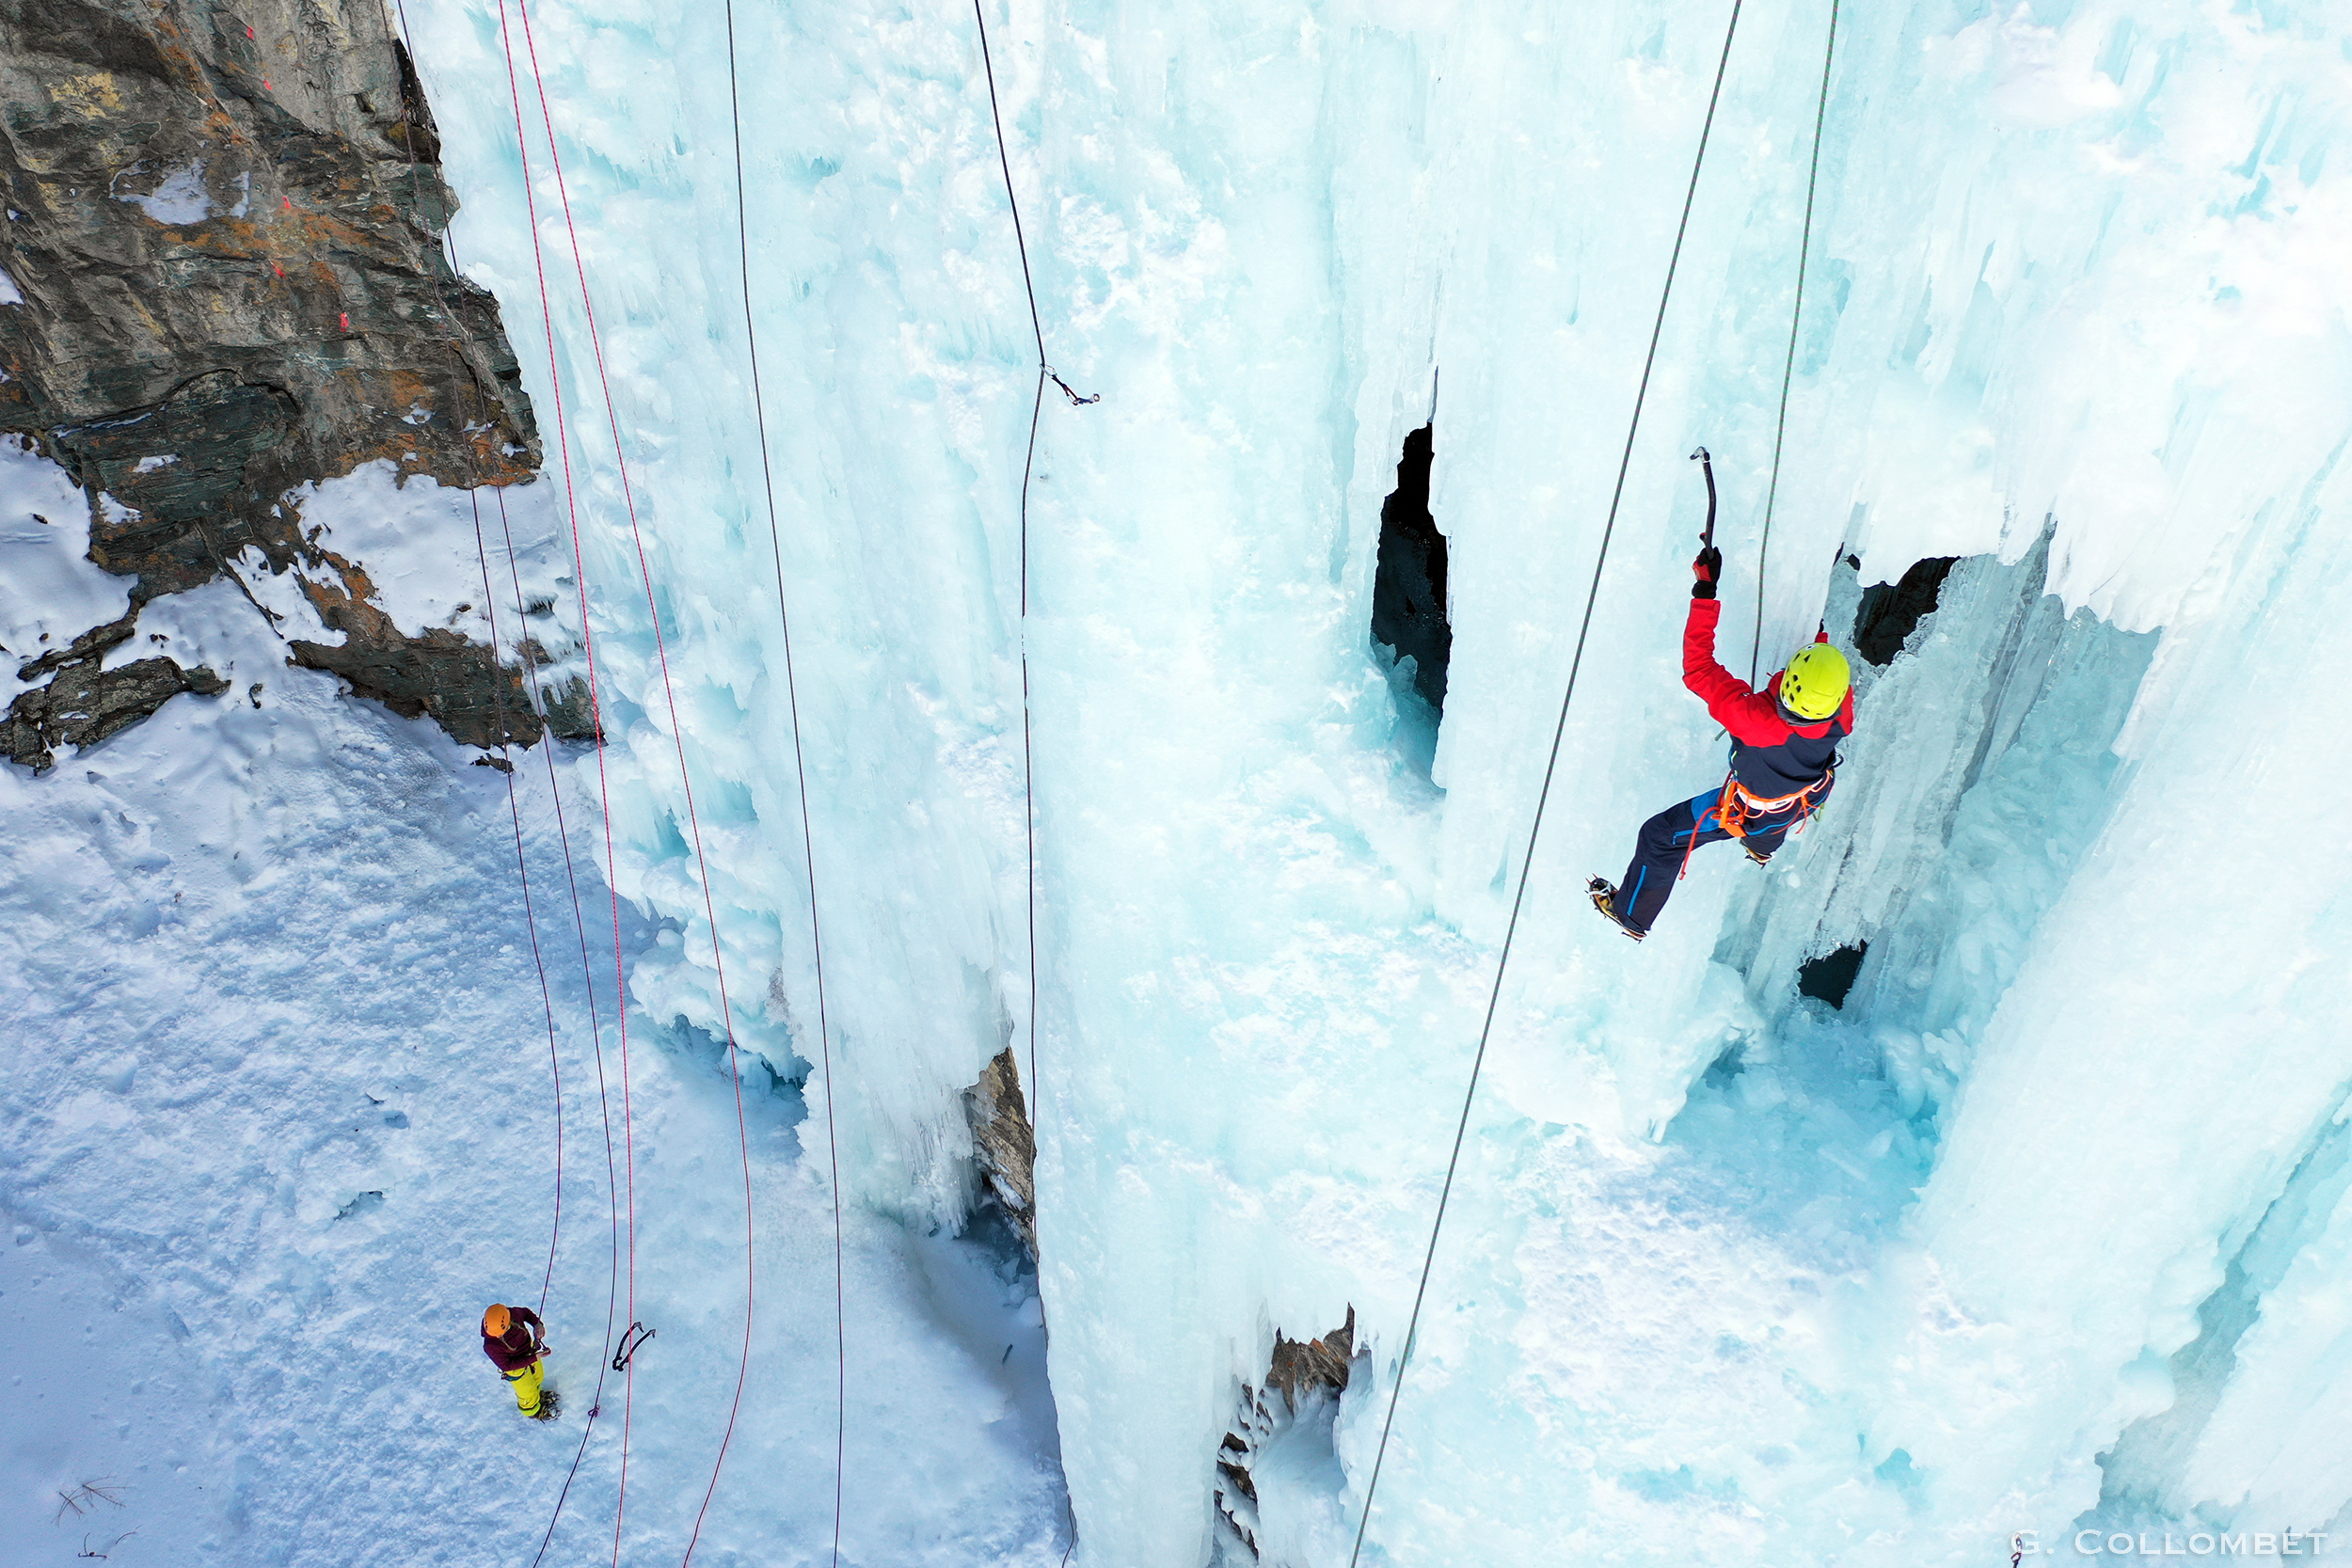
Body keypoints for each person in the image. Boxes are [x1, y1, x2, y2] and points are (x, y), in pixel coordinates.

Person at [1589, 543, 1853, 940]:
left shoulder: (1754, 721)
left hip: (1749, 808)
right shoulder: (1842, 715)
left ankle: (1631, 915)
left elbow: (1698, 669)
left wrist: (1705, 592)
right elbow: (1821, 673)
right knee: (1772, 819)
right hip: (1802, 799)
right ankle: (1762, 850)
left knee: (1659, 837)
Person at [481, 1302, 555, 1418]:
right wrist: (534, 1357)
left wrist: (537, 1324)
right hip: (516, 1368)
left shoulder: (513, 1313)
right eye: (494, 1335)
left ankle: (538, 1396)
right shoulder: (490, 1346)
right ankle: (534, 1411)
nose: (498, 1337)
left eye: (501, 1333)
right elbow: (507, 1366)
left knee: (538, 1376)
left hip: (528, 1351)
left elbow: (525, 1313)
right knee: (526, 1392)